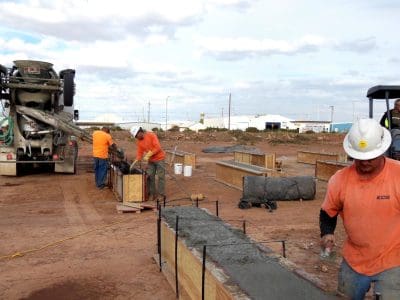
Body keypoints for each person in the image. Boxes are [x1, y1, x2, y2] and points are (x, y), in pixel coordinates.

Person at [319, 118, 400, 299]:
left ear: (382, 150)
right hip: (355, 259)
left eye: (370, 158)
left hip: (394, 260)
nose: (364, 163)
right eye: (359, 158)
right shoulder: (339, 180)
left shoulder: (398, 176)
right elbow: (327, 212)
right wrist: (327, 232)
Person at [130, 126, 166, 201]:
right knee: (150, 176)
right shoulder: (139, 142)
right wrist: (135, 162)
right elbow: (139, 153)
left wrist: (148, 154)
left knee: (161, 177)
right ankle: (152, 194)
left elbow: (157, 147)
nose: (137, 137)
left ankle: (161, 195)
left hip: (160, 159)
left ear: (140, 132)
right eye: (135, 136)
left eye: (137, 135)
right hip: (151, 161)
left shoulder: (151, 135)